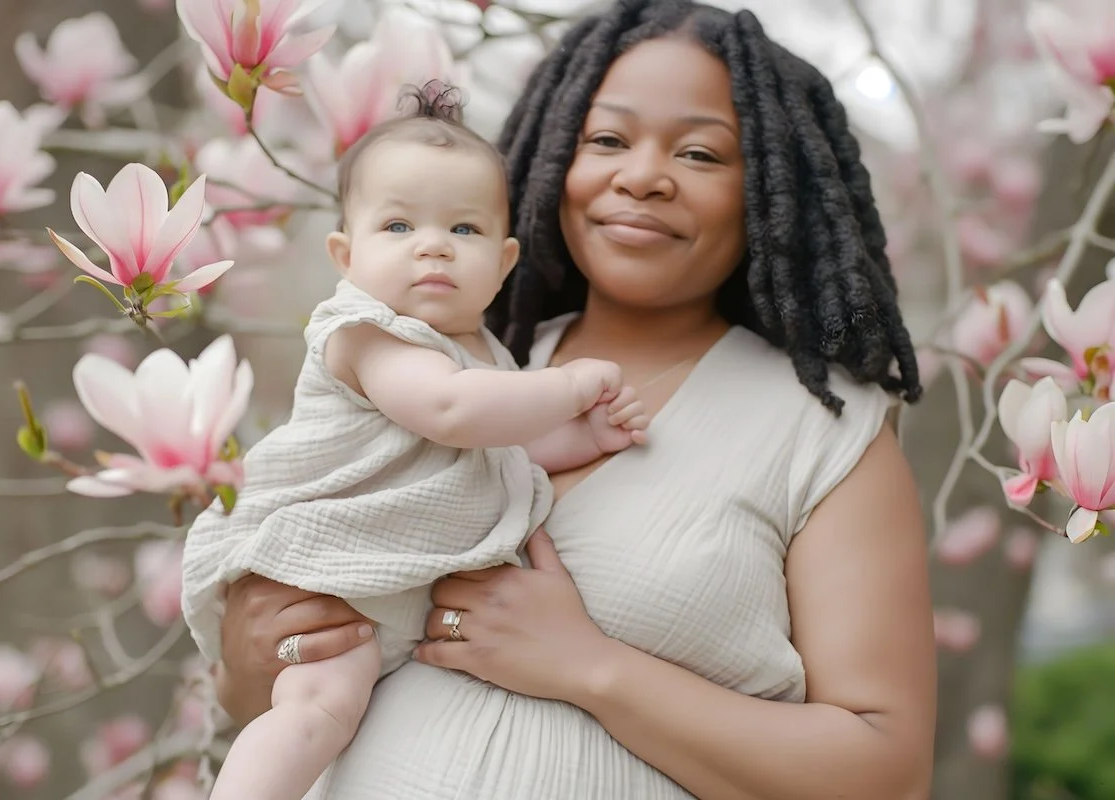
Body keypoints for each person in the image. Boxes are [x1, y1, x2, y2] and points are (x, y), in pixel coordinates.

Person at [211, 1, 938, 798]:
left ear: (768, 187)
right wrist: (252, 659)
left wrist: (591, 667)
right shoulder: (439, 366)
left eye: (700, 153)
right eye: (608, 140)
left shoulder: (823, 428)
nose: (642, 176)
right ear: (556, 157)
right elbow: (286, 688)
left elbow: (883, 772)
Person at [181, 84, 651, 800]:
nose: (432, 245)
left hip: (387, 585)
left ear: (503, 262)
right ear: (345, 253)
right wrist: (574, 385)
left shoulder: (485, 355)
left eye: (463, 230)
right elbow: (451, 412)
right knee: (315, 710)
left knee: (337, 710)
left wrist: (581, 435)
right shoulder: (369, 335)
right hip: (330, 569)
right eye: (398, 226)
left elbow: (500, 454)